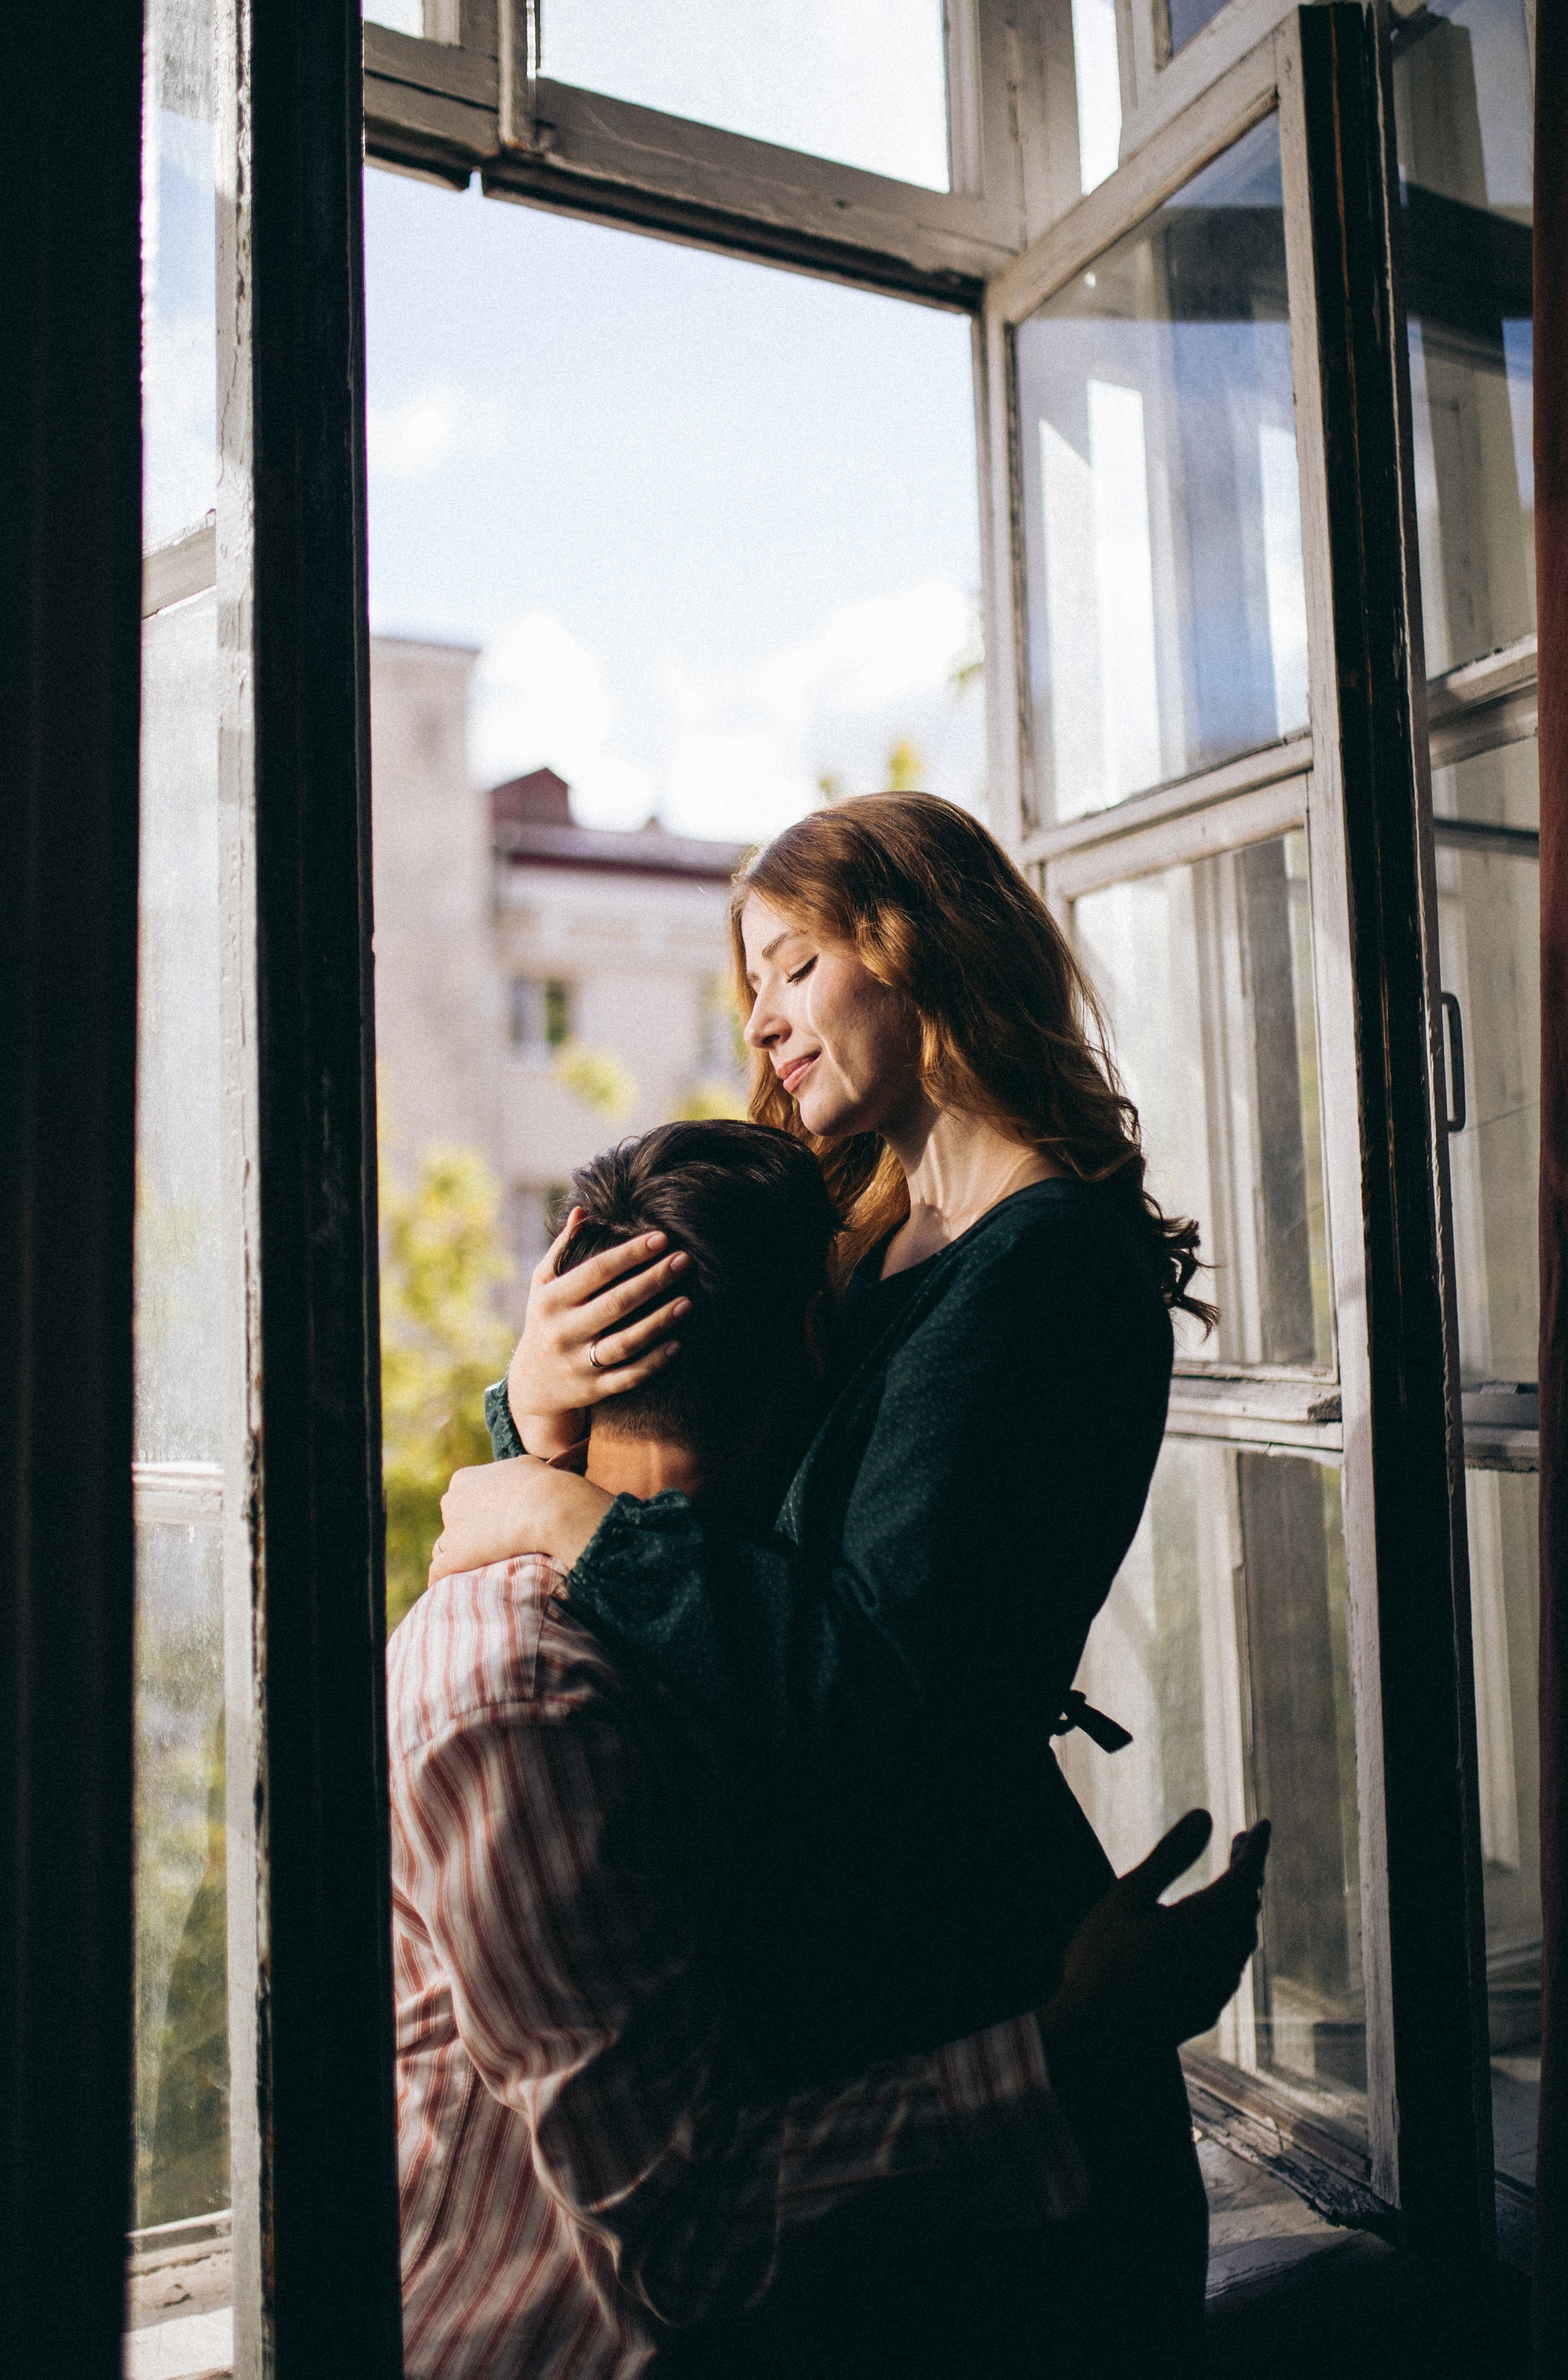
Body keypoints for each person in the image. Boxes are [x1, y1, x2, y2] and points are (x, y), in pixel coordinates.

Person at [431, 793, 1224, 2367]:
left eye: (791, 964)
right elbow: (685, 1458)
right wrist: (536, 1403)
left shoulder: (1046, 1267)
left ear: (916, 945)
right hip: (847, 1975)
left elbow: (881, 1685)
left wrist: (558, 1516)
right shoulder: (861, 1231)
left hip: (965, 1971)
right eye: (748, 978)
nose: (760, 1016)